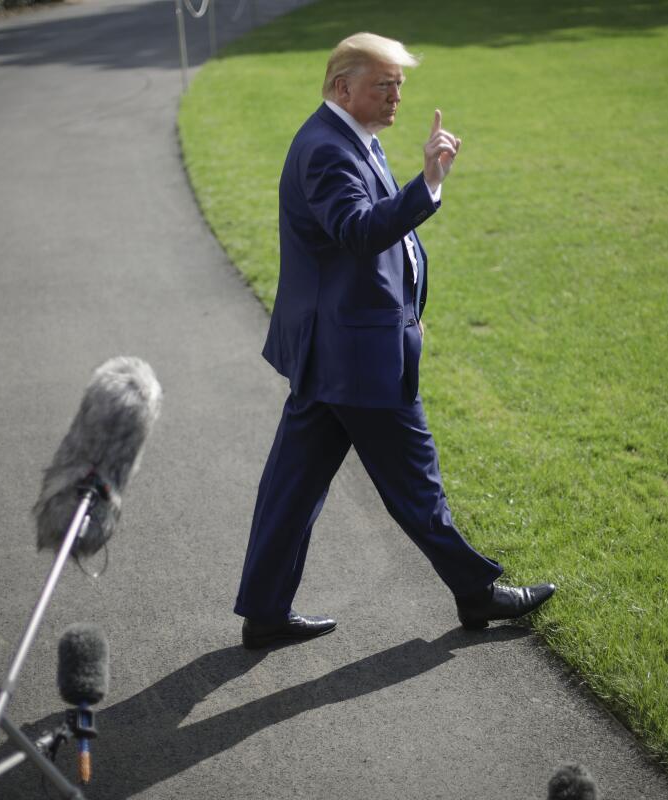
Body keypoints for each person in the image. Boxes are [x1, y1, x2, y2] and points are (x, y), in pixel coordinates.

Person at [234, 32, 556, 649]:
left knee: (292, 485)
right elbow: (357, 232)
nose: (395, 97)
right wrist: (428, 183)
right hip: (356, 357)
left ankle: (266, 610)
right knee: (416, 481)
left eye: (400, 86)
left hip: (338, 349)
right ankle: (477, 593)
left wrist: (408, 309)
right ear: (342, 87)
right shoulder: (328, 150)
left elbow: (371, 253)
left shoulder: (350, 139)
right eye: (384, 85)